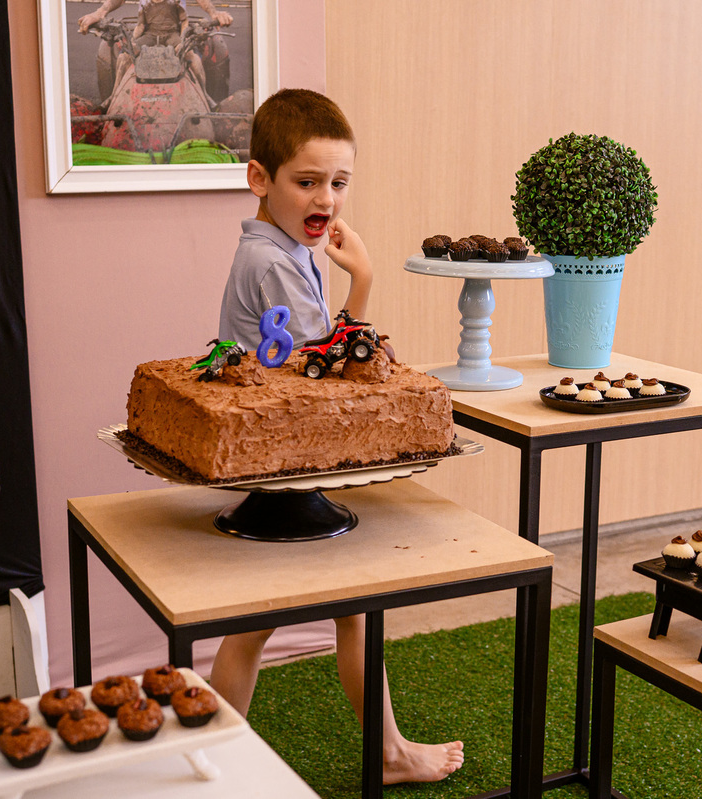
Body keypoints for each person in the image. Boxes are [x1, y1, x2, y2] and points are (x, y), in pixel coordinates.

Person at [214, 88, 465, 785]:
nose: (326, 197)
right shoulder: (274, 261)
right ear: (259, 178)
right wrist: (364, 282)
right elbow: (324, 372)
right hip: (284, 462)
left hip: (283, 456)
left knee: (304, 618)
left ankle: (214, 762)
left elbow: (311, 354)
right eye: (307, 181)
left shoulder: (284, 249)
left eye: (339, 182)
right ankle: (378, 753)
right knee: (306, 618)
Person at [77, 0, 233, 103]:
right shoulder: (147, 8)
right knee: (117, 52)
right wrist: (99, 13)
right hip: (148, 33)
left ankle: (206, 98)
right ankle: (113, 98)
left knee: (199, 53)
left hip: (174, 33)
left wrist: (214, 13)